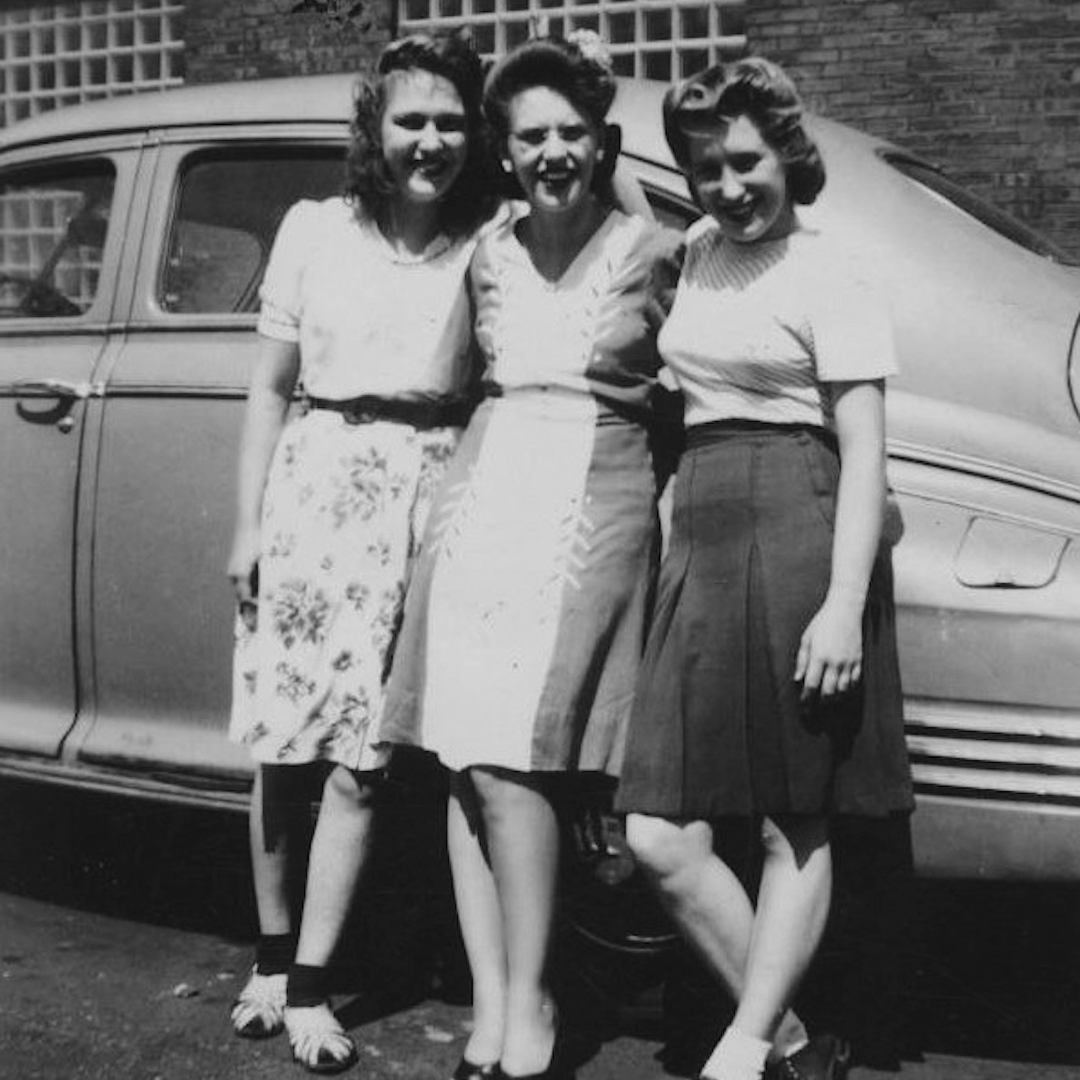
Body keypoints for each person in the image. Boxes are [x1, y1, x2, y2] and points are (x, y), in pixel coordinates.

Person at [379, 33, 678, 1080]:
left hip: (590, 505)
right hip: (483, 504)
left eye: (572, 133)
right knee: (464, 766)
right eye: (531, 136)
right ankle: (495, 1013)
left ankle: (539, 1003)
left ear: (602, 143)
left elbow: (685, 396)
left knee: (519, 767)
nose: (552, 152)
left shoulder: (651, 252)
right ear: (504, 152)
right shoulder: (489, 254)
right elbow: (450, 382)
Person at [616, 59, 915, 1080]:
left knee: (797, 813)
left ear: (788, 153)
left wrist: (840, 606)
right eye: (705, 169)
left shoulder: (834, 269)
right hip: (699, 527)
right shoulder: (695, 249)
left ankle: (743, 1050)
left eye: (745, 162)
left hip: (799, 518)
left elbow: (865, 448)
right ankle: (788, 1042)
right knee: (658, 830)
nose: (729, 186)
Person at [226, 32, 499, 1075]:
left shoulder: (490, 236)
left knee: (366, 759)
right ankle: (268, 951)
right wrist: (247, 525)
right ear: (375, 130)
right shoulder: (315, 230)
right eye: (410, 120)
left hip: (431, 496)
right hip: (316, 488)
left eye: (448, 121)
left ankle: (310, 984)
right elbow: (268, 385)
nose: (429, 140)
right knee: (284, 744)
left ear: (472, 135)